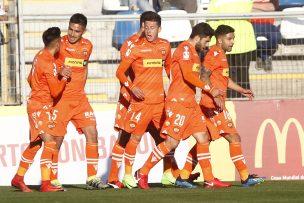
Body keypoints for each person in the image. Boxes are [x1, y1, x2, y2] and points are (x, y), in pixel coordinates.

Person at [134, 22, 231, 190]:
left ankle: (209, 179)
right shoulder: (185, 49)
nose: (207, 45)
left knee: (203, 138)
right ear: (198, 37)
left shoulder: (193, 51)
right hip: (178, 102)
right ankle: (142, 172)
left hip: (191, 103)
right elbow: (187, 75)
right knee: (171, 142)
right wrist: (210, 89)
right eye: (206, 41)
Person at [179, 24, 265, 187]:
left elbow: (224, 80)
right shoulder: (215, 53)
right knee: (234, 137)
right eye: (229, 39)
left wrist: (241, 90)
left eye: (233, 39)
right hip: (213, 104)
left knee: (205, 141)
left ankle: (183, 175)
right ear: (219, 40)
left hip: (210, 103)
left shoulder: (221, 55)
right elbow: (204, 73)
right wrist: (213, 94)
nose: (232, 42)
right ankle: (245, 177)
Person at [108, 11, 176, 189]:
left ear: (159, 28)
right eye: (146, 28)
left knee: (165, 139)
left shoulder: (165, 46)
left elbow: (170, 71)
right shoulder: (135, 46)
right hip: (140, 103)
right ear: (142, 28)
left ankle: (167, 174)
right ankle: (127, 176)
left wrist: (175, 92)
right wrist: (131, 87)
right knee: (131, 139)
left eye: (153, 28)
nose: (149, 31)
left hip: (160, 103)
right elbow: (119, 72)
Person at [49, 13, 109, 190]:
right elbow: (47, 64)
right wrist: (59, 71)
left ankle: (92, 177)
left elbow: (85, 65)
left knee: (92, 132)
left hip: (80, 99)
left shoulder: (87, 46)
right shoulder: (58, 43)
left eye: (77, 31)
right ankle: (52, 178)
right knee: (57, 139)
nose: (73, 34)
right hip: (61, 99)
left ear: (83, 31)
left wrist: (81, 86)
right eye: (70, 29)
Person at [11, 27, 71, 192]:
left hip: (37, 104)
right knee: (50, 143)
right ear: (58, 43)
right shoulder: (49, 61)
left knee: (36, 144)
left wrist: (40, 88)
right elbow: (56, 91)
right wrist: (64, 77)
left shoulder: (39, 55)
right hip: (40, 107)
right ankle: (46, 183)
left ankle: (18, 178)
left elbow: (30, 79)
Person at [208, 0, 256, 98]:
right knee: (231, 77)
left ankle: (236, 103)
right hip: (240, 43)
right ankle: (237, 103)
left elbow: (210, 18)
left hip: (240, 43)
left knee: (233, 77)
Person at [251, 0, 281, 71]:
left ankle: (260, 56)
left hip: (268, 25)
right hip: (252, 25)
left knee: (276, 37)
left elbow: (272, 7)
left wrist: (252, 6)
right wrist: (265, 8)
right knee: (252, 37)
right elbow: (245, 9)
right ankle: (265, 57)